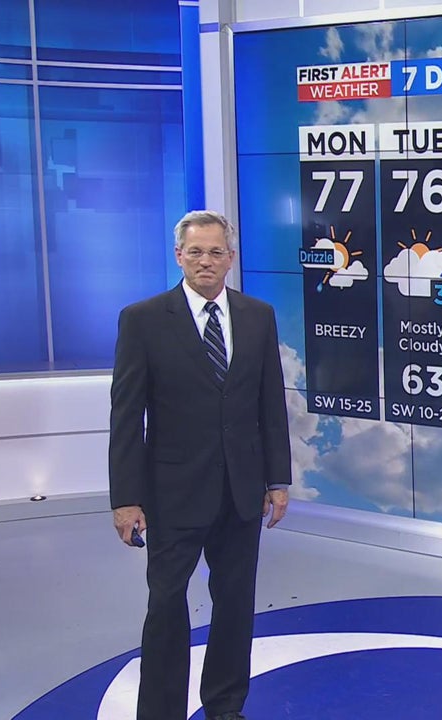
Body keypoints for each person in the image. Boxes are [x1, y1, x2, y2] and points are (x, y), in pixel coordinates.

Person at [109, 210, 292, 720]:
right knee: (167, 606)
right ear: (178, 256)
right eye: (195, 252)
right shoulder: (143, 319)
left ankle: (225, 706)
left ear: (230, 259)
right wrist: (126, 499)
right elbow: (126, 417)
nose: (205, 261)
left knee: (234, 604)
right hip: (172, 493)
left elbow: (270, 403)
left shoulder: (257, 315)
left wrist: (277, 478)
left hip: (241, 490)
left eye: (215, 252)